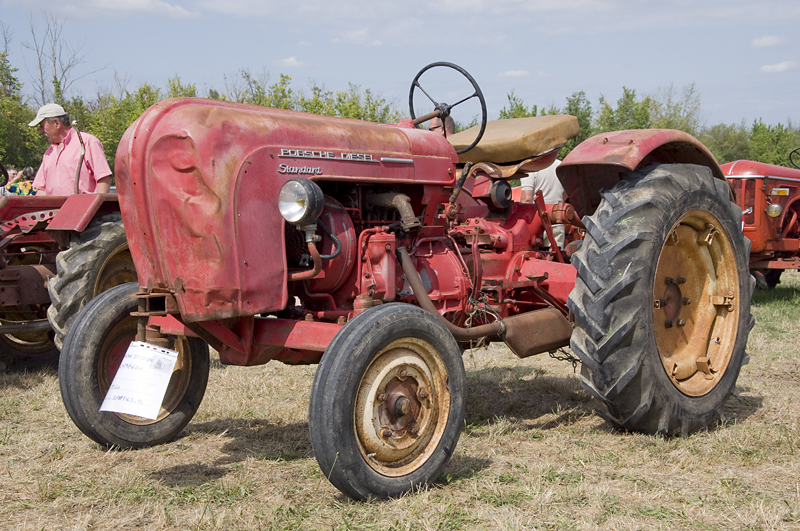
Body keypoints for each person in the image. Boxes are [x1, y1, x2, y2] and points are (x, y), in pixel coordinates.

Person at [28, 103, 112, 196]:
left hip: (84, 209)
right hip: (56, 210)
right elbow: (41, 190)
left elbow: (104, 178)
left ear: (56, 123)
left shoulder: (87, 142)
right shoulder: (49, 153)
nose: (41, 131)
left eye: (42, 125)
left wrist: (95, 208)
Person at [519, 159, 565, 248]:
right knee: (555, 257)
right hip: (556, 219)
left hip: (535, 222)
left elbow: (527, 199)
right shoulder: (560, 166)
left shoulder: (530, 167)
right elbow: (567, 193)